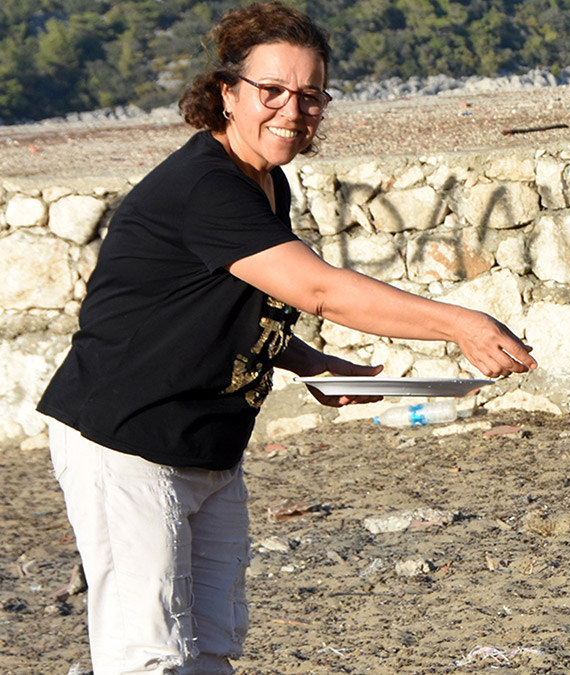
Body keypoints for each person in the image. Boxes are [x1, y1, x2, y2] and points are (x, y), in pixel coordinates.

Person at [35, 3, 536, 673]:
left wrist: (310, 361)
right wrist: (462, 323)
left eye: (309, 96)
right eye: (272, 91)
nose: (291, 111)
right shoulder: (205, 186)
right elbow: (319, 288)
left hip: (209, 443)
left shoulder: (266, 183)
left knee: (213, 646)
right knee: (147, 657)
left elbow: (223, 302)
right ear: (227, 94)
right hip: (127, 440)